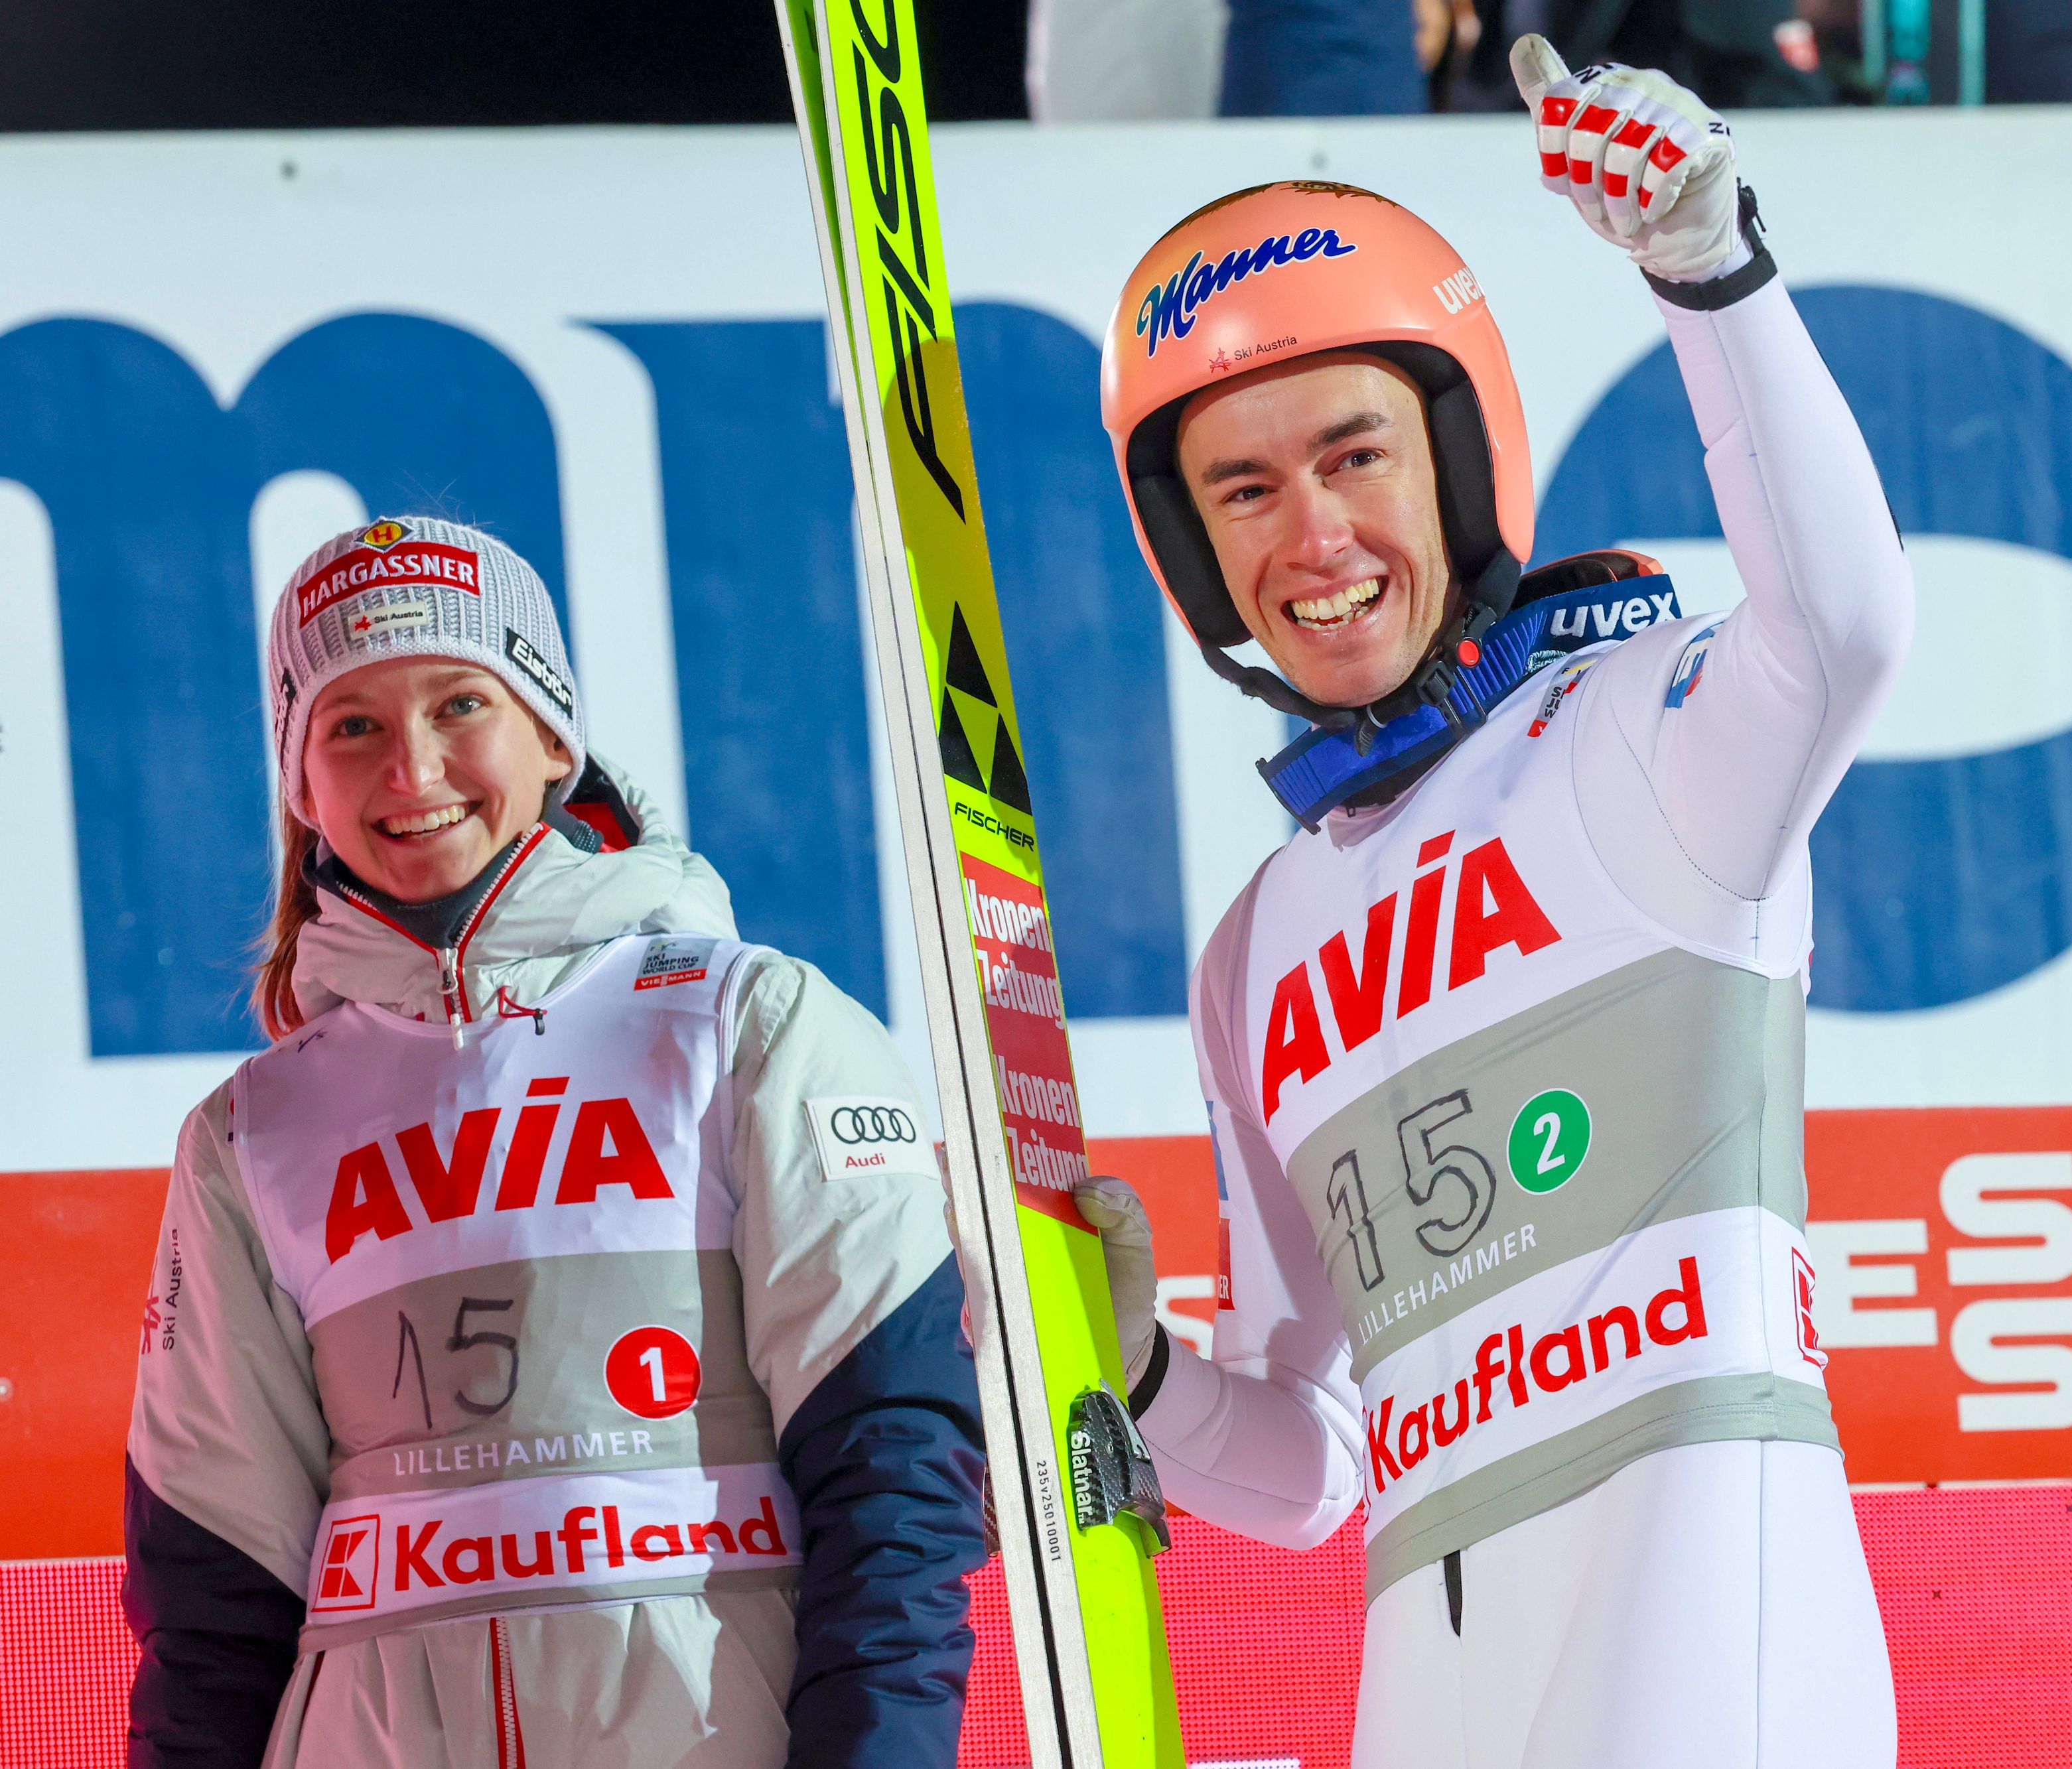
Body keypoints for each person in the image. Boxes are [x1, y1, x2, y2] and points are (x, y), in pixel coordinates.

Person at [1079, 35, 1909, 1768]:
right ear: (1194, 551)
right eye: (1244, 489)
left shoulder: (1645, 727)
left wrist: (1710, 269)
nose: (1312, 535)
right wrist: (1133, 1371)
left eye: (1356, 454)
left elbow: (1843, 628)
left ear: (1459, 462)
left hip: (1714, 1651)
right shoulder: (1257, 948)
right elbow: (1310, 1457)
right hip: (1435, 1685)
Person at [123, 515, 985, 1767]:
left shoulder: (746, 1020)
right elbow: (212, 1601)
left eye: (459, 702)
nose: (411, 769)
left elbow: (896, 1478)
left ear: (549, 735)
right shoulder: (252, 1133)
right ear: (299, 787)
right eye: (351, 725)